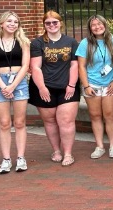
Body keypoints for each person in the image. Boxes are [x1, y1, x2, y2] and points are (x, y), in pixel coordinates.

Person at [29, 11, 80, 167]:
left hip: (67, 87)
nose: (51, 25)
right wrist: (42, 88)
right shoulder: (38, 43)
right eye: (48, 23)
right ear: (44, 25)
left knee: (66, 121)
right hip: (44, 87)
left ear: (60, 23)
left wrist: (71, 85)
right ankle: (56, 150)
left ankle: (68, 153)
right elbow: (35, 67)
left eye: (54, 22)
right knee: (50, 121)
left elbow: (75, 64)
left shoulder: (71, 42)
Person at [0, 11, 31, 174]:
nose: (13, 24)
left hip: (19, 83)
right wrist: (4, 86)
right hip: (0, 82)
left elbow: (26, 66)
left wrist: (13, 86)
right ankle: (6, 159)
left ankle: (20, 157)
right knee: (4, 123)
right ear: (2, 24)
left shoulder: (24, 42)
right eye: (9, 21)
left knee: (19, 122)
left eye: (16, 22)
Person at [77, 15, 113, 159]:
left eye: (100, 24)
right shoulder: (85, 43)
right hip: (92, 85)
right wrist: (86, 85)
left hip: (110, 85)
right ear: (90, 28)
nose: (97, 27)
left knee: (110, 115)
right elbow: (81, 67)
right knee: (95, 116)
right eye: (93, 25)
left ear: (105, 25)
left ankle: (112, 146)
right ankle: (100, 146)